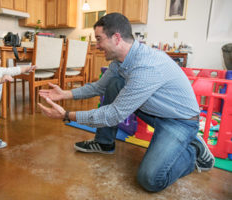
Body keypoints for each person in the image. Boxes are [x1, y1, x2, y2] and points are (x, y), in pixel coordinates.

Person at [38, 13, 215, 192]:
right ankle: (104, 142)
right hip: (155, 110)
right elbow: (99, 87)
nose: (97, 46)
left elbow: (114, 114)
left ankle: (194, 151)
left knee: (150, 179)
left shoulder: (145, 66)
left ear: (116, 38)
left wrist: (67, 115)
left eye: (99, 39)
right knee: (115, 83)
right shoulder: (119, 62)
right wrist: (65, 94)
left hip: (180, 121)